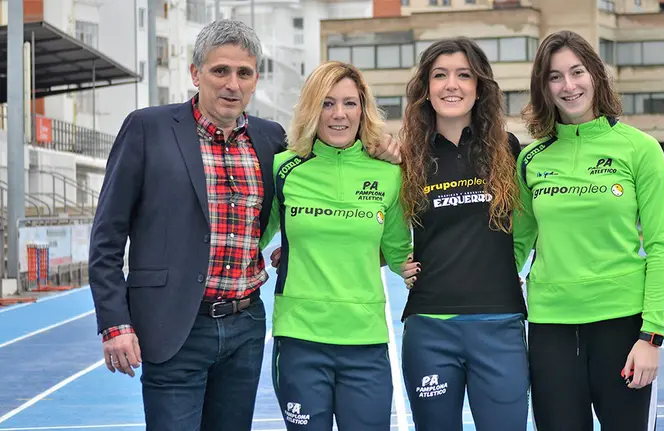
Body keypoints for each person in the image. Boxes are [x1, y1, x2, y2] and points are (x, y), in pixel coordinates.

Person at [88, 19, 400, 431]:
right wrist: (115, 323)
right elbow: (107, 237)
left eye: (244, 73)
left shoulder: (272, 141)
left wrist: (381, 144)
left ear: (254, 80)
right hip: (175, 326)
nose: (232, 84)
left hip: (244, 328)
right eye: (220, 71)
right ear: (196, 73)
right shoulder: (149, 129)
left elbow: (325, 168)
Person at [514, 30, 664, 431]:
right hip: (551, 329)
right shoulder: (531, 159)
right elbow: (515, 245)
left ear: (596, 75)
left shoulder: (639, 149)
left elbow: (660, 247)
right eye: (555, 77)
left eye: (577, 72)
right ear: (544, 87)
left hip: (622, 328)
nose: (568, 86)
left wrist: (651, 337)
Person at [257, 60, 413, 431]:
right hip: (300, 341)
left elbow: (399, 255)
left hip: (365, 342)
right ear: (312, 110)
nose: (339, 114)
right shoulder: (284, 167)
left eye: (349, 103)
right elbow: (251, 238)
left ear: (363, 109)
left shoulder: (389, 173)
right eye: (327, 103)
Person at [396, 37, 529, 431]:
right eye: (440, 75)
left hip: (499, 324)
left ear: (479, 87)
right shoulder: (404, 157)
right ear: (425, 88)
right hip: (429, 328)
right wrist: (393, 259)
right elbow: (369, 217)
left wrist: (506, 268)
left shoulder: (508, 150)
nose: (451, 85)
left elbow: (527, 227)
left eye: (463, 75)